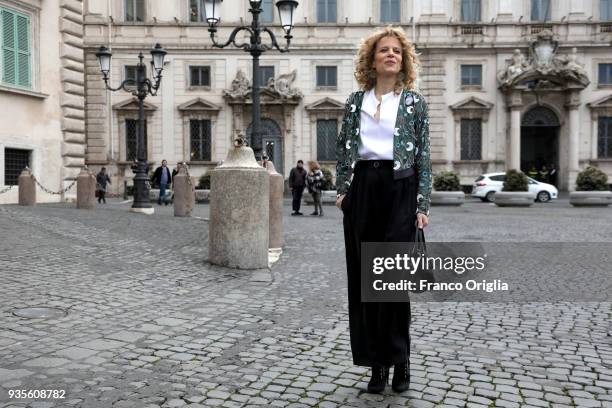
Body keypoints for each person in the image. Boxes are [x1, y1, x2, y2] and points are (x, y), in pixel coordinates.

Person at [335, 26, 431, 394]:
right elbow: (345, 151)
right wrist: (344, 193)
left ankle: (400, 358)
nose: (391, 55)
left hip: (400, 188)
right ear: (371, 60)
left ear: (403, 60)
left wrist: (421, 203)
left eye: (396, 51)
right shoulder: (355, 102)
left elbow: (424, 157)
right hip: (364, 189)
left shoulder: (414, 103)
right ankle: (376, 365)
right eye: (383, 51)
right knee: (365, 283)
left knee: (391, 283)